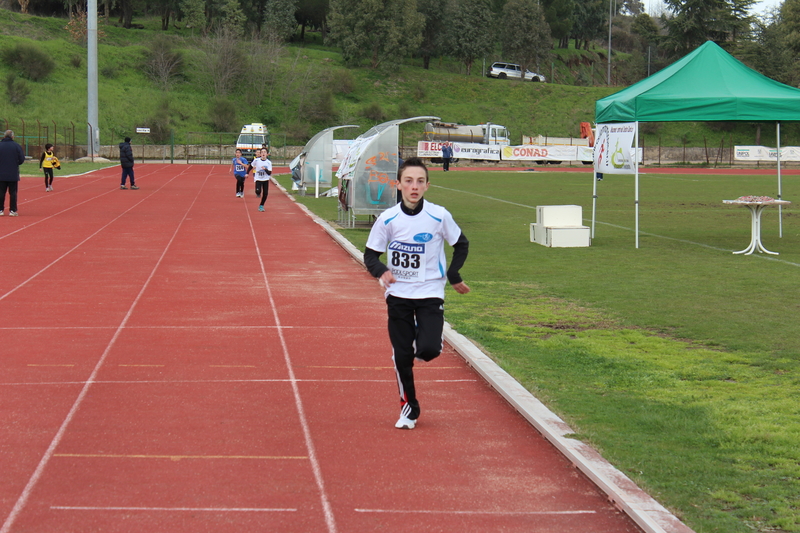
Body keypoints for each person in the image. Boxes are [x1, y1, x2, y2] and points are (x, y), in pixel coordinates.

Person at [363, 157, 470, 430]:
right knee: (401, 357)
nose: (414, 186)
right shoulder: (388, 219)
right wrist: (382, 272)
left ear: (427, 186)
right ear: (398, 185)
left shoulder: (439, 215)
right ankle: (409, 410)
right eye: (408, 181)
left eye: (420, 181)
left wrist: (454, 274)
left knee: (429, 349)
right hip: (397, 293)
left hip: (430, 291)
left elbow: (461, 244)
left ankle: (418, 346)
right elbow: (371, 255)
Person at [0, 130, 25, 217]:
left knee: (1, 192)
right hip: (12, 173)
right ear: (12, 136)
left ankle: (0, 210)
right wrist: (15, 163)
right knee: (13, 192)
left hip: (1, 174)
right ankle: (12, 210)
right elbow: (21, 159)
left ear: (4, 136)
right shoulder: (16, 146)